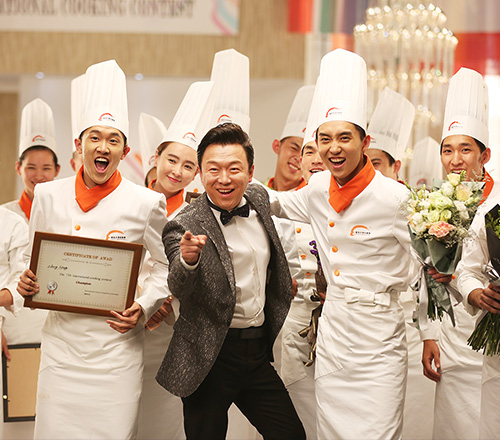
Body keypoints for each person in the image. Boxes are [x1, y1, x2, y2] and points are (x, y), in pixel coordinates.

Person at [17, 59, 170, 440]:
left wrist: (144, 305)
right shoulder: (48, 196)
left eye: (113, 140)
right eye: (95, 137)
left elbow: (166, 266)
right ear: (78, 144)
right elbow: (31, 259)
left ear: (125, 150)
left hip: (116, 351)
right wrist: (26, 281)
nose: (103, 147)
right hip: (61, 352)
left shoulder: (146, 202)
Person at [268, 48, 415, 440]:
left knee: (378, 431)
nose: (334, 148)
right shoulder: (318, 188)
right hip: (333, 332)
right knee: (331, 431)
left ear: (365, 141)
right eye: (325, 139)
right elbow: (276, 203)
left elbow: (428, 260)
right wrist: (227, 180)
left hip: (379, 336)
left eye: (344, 137)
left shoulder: (394, 197)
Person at [157, 122, 305, 440]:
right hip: (209, 356)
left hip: (256, 351)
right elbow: (178, 284)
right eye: (213, 169)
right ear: (200, 173)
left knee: (290, 434)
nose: (224, 179)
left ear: (250, 173)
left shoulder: (259, 199)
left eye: (234, 169)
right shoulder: (183, 224)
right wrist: (188, 260)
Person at [421, 67, 499, 440]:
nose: (455, 159)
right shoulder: (432, 206)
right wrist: (429, 334)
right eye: (447, 150)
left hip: (491, 326)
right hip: (454, 338)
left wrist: (455, 277)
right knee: (454, 429)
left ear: (484, 155)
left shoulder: (496, 205)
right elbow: (425, 278)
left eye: (465, 149)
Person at [136, 81, 214, 440]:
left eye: (188, 166)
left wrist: (166, 301)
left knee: (164, 422)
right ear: (156, 157)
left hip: (172, 332)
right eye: (172, 160)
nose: (177, 171)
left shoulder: (199, 216)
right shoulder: (132, 203)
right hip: (129, 322)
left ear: (196, 173)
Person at [278, 124, 326, 440]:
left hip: (342, 319)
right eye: (309, 151)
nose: (316, 159)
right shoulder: (283, 205)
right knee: (295, 407)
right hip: (295, 319)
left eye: (322, 151)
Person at [265, 86, 314, 191]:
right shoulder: (257, 192)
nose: (298, 158)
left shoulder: (310, 197)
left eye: (307, 153)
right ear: (277, 146)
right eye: (294, 148)